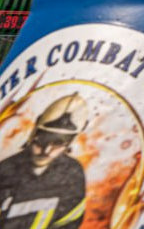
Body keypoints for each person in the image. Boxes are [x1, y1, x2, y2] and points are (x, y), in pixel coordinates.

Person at [0, 94, 87, 228]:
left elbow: (69, 222)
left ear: (68, 146)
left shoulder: (73, 173)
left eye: (57, 144)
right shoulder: (5, 172)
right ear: (32, 136)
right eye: (41, 141)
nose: (46, 151)